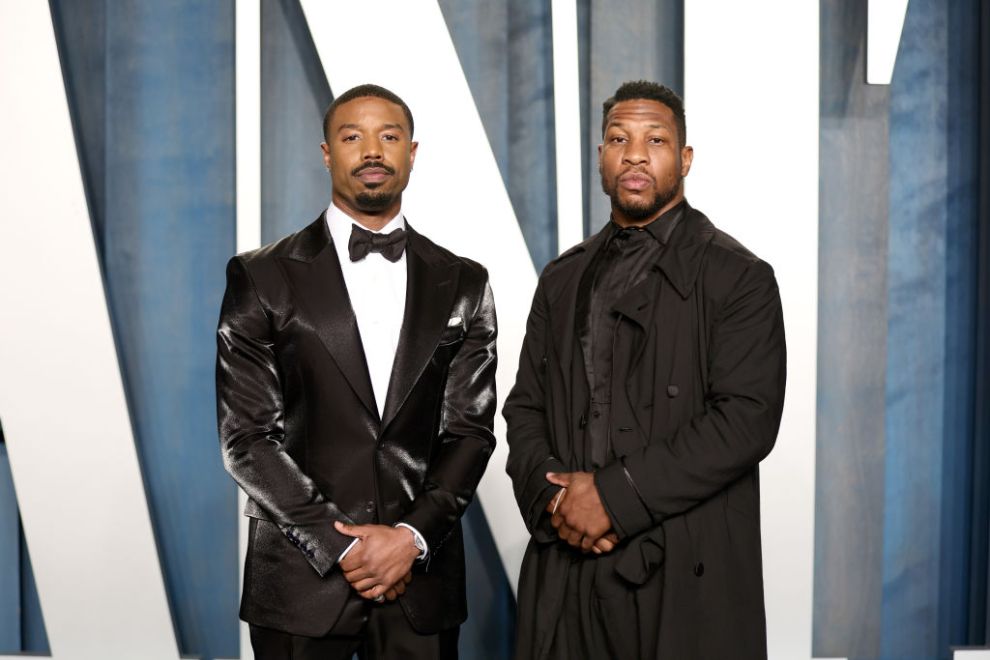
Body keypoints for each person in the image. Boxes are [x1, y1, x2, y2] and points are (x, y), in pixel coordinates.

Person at [504, 80, 786, 659]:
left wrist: (612, 497)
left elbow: (745, 421)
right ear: (602, 159)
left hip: (682, 571)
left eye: (655, 139)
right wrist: (559, 501)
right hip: (568, 572)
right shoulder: (561, 278)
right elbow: (524, 408)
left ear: (684, 159)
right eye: (618, 138)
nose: (635, 153)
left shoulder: (739, 276)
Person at [216, 83, 497, 659]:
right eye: (352, 137)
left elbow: (470, 432)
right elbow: (247, 438)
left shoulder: (464, 281)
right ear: (326, 153)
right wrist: (342, 547)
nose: (372, 150)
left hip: (420, 584)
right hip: (298, 583)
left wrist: (410, 538)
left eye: (389, 136)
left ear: (412, 153)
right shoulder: (261, 276)